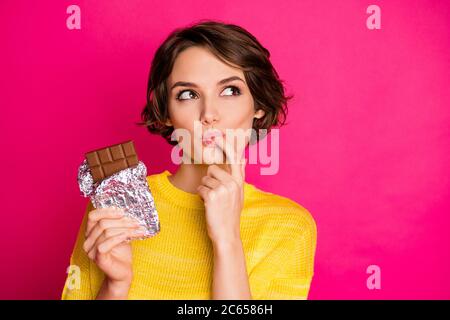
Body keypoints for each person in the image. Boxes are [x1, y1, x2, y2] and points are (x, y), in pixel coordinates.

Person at [61, 20, 317, 300]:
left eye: (230, 90)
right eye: (188, 94)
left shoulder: (289, 225)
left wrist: (227, 239)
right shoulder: (116, 208)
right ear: (167, 111)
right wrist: (116, 285)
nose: (208, 113)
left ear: (257, 105)